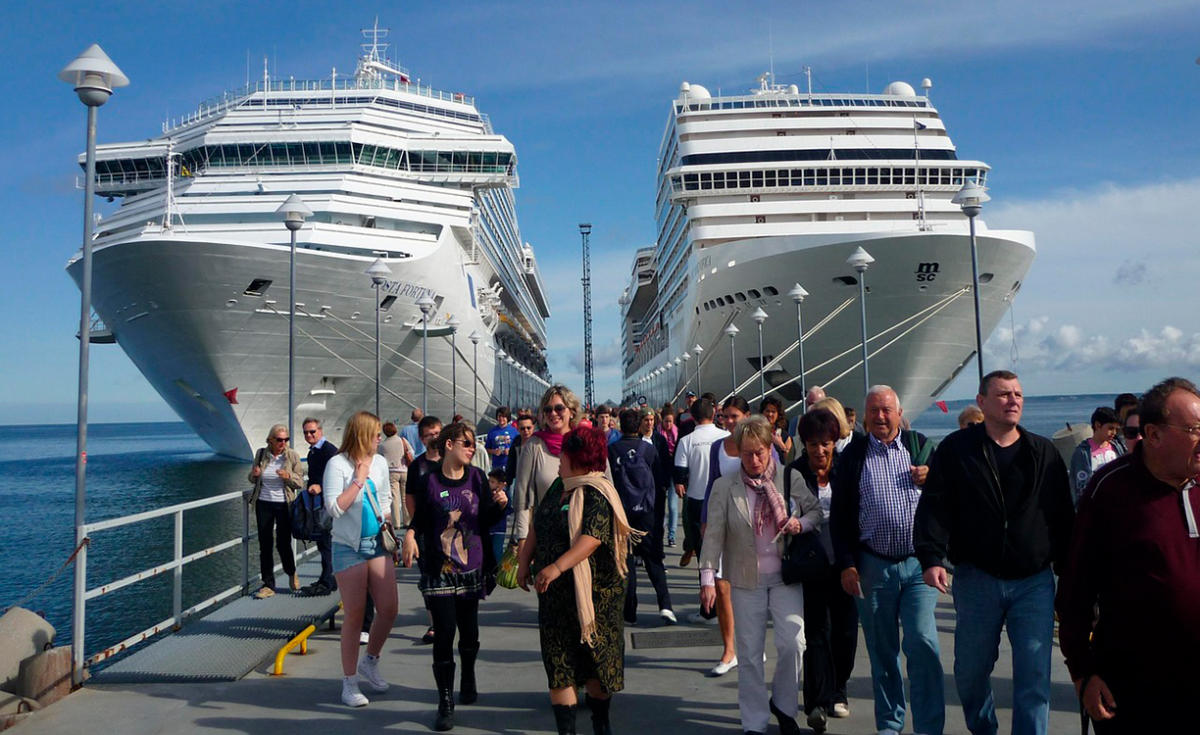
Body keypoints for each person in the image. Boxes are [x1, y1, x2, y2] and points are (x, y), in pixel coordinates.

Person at [915, 370, 1074, 735]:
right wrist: (931, 557)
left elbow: (1062, 515)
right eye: (1003, 394)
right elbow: (935, 506)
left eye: (1017, 394)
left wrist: (1068, 572)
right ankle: (983, 727)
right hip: (977, 577)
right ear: (982, 402)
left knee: (1034, 673)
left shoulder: (1043, 452)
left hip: (1033, 581)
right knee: (970, 671)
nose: (1013, 400)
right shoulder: (956, 450)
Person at [1056, 377, 1200, 733]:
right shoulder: (1109, 490)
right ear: (1153, 434)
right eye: (1194, 429)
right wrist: (1083, 673)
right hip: (1134, 688)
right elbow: (1075, 591)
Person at [830, 385, 943, 735]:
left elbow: (948, 498)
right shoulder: (853, 456)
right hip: (872, 565)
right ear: (864, 416)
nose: (880, 416)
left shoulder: (920, 447)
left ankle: (928, 727)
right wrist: (847, 564)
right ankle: (890, 725)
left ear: (899, 414)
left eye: (886, 410)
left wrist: (932, 476)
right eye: (874, 410)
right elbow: (840, 516)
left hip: (917, 565)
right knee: (882, 652)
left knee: (922, 642)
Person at [517, 426, 643, 735]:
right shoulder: (558, 486)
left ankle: (600, 724)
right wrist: (524, 562)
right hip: (555, 597)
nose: (559, 459)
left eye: (563, 454)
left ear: (577, 458)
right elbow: (537, 524)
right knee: (559, 664)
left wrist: (556, 567)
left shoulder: (598, 492)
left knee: (595, 665)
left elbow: (592, 538)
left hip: (597, 598)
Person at [700, 415, 820, 735]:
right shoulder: (725, 486)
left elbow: (815, 511)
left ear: (770, 448)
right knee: (750, 654)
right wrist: (708, 579)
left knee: (794, 643)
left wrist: (800, 524)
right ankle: (754, 721)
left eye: (760, 452)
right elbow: (713, 535)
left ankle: (783, 705)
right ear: (738, 451)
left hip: (785, 576)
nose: (754, 460)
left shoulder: (788, 477)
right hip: (744, 580)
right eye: (747, 453)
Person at [403, 422, 508, 731]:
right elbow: (421, 519)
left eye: (473, 444)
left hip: (471, 567)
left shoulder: (476, 477)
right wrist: (410, 535)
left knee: (469, 632)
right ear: (449, 444)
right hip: (441, 569)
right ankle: (445, 702)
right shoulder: (430, 481)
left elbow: (485, 518)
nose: (472, 448)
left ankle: (469, 675)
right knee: (445, 633)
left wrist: (501, 507)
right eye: (467, 443)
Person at [789, 408, 858, 728]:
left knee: (846, 632)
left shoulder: (847, 469)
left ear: (834, 442)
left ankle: (838, 690)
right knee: (816, 633)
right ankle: (816, 703)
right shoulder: (794, 473)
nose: (819, 450)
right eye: (813, 444)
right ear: (804, 444)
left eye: (825, 443)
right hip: (811, 564)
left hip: (845, 562)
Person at [322, 411, 396, 708]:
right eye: (376, 434)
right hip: (348, 546)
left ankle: (371, 660)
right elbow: (333, 509)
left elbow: (386, 499)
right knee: (354, 614)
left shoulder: (380, 462)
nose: (380, 438)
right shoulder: (337, 464)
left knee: (389, 608)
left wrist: (389, 525)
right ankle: (349, 682)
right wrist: (357, 480)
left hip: (377, 543)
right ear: (362, 434)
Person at [697, 396, 754, 673]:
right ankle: (729, 650)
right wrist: (705, 519)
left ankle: (750, 644)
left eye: (734, 416)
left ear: (747, 416)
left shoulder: (759, 444)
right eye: (725, 416)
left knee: (749, 589)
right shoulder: (717, 446)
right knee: (722, 587)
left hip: (751, 525)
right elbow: (711, 484)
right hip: (722, 521)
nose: (729, 421)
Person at [610, 408, 676, 626]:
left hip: (622, 514)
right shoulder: (648, 449)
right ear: (638, 426)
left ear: (620, 426)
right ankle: (666, 605)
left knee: (627, 561)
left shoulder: (612, 450)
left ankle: (630, 612)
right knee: (654, 559)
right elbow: (659, 482)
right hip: (647, 512)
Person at [513, 385, 583, 550]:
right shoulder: (534, 445)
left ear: (572, 411)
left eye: (559, 408)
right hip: (547, 538)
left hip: (581, 537)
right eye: (548, 409)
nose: (553, 413)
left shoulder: (585, 442)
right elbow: (522, 495)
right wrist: (522, 540)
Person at [247, 424, 304, 599]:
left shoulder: (292, 456)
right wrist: (254, 474)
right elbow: (251, 479)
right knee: (265, 544)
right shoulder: (260, 454)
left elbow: (300, 482)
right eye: (279, 440)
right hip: (263, 503)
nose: (283, 443)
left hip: (284, 504)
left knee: (283, 543)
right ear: (270, 440)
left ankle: (291, 571)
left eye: (286, 439)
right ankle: (268, 584)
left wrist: (288, 477)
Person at [673, 398, 728, 568]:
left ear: (693, 417)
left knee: (702, 546)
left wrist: (680, 483)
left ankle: (705, 576)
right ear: (713, 414)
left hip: (697, 498)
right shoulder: (726, 437)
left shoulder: (686, 441)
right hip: (724, 497)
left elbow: (680, 472)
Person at [407, 414, 445, 645]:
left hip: (451, 530)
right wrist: (416, 525)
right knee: (428, 577)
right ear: (422, 439)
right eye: (429, 435)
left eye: (437, 433)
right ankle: (435, 624)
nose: (434, 438)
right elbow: (410, 497)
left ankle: (450, 617)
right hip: (425, 532)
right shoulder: (417, 466)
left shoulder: (451, 461)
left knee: (451, 573)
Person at [300, 418, 338, 596]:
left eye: (312, 431)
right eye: (306, 432)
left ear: (320, 431)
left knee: (326, 542)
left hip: (327, 503)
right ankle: (329, 579)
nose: (309, 435)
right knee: (324, 542)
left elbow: (336, 474)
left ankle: (327, 582)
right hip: (319, 502)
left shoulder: (328, 451)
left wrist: (321, 486)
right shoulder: (313, 452)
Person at [1069, 407, 1124, 507]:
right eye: (1110, 428)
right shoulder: (1083, 453)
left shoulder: (1118, 448)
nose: (1114, 433)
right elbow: (1080, 485)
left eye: (1116, 429)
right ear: (1098, 425)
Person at [380, 421, 414, 526]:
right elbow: (411, 452)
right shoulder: (402, 440)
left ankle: (396, 522)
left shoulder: (382, 445)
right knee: (405, 497)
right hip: (404, 470)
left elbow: (380, 458)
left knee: (395, 498)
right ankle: (407, 521)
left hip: (391, 472)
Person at [658, 404, 680, 546]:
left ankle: (671, 535)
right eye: (666, 421)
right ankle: (659, 533)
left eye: (670, 421)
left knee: (672, 506)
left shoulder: (678, 434)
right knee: (660, 507)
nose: (668, 424)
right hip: (661, 471)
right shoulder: (657, 435)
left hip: (673, 472)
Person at [505, 413, 537, 490]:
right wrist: (508, 481)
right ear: (518, 429)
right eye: (522, 428)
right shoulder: (516, 442)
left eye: (528, 428)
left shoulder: (539, 442)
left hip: (535, 482)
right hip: (518, 481)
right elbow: (511, 464)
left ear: (533, 427)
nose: (526, 431)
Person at [759, 396, 794, 462]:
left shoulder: (784, 436)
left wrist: (781, 445)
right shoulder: (755, 432)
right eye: (767, 411)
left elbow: (790, 460)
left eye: (773, 411)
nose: (770, 414)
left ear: (778, 414)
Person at [487, 468, 510, 563]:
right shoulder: (488, 494)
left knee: (497, 552)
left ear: (501, 485)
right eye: (489, 481)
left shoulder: (505, 496)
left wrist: (502, 505)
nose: (489, 484)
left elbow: (508, 510)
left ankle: (498, 569)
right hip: (489, 529)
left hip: (499, 530)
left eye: (492, 482)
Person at [485, 406, 518, 472]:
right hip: (497, 466)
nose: (501, 418)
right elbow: (487, 448)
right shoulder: (492, 432)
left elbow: (519, 446)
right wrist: (494, 451)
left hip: (511, 465)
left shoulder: (514, 431)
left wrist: (510, 451)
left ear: (508, 418)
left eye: (504, 416)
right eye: (499, 416)